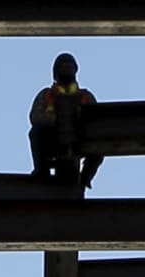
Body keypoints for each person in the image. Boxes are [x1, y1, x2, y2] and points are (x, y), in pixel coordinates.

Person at [28, 52, 101, 188]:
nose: (67, 69)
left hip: (80, 137)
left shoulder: (85, 96)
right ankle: (42, 170)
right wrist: (56, 121)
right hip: (53, 136)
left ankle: (85, 178)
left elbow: (97, 121)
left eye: (69, 66)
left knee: (100, 141)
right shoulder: (46, 95)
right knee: (36, 133)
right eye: (62, 66)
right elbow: (35, 117)